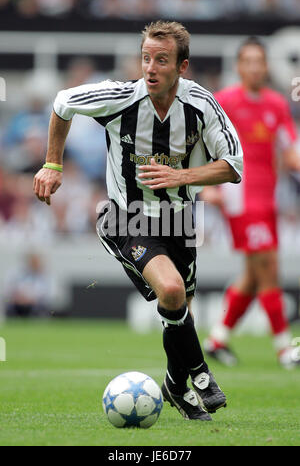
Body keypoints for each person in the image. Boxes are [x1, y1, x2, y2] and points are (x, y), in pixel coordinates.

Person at [33, 21, 243, 421]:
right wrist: (52, 163)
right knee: (172, 289)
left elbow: (233, 166)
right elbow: (63, 103)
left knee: (179, 308)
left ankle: (174, 386)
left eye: (161, 60)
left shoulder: (201, 105)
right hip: (124, 216)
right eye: (146, 58)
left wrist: (181, 176)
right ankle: (200, 375)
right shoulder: (121, 98)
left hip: (179, 221)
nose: (150, 67)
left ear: (182, 67)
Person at [202, 37, 300, 369]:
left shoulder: (276, 103)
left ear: (267, 66)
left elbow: (290, 152)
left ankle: (217, 339)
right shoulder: (224, 101)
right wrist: (205, 187)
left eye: (260, 61)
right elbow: (200, 142)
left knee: (254, 273)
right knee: (269, 268)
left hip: (268, 197)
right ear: (239, 65)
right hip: (239, 197)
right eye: (249, 61)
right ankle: (285, 349)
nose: (255, 67)